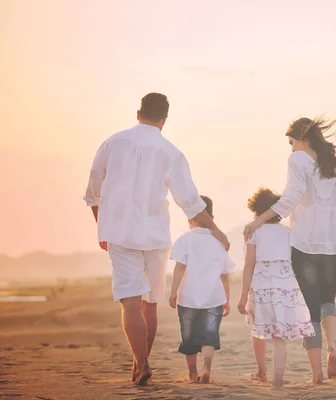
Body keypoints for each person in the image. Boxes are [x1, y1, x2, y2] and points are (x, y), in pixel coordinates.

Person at [83, 93, 230, 385]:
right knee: (149, 304)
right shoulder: (171, 152)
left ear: (138, 113)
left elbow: (93, 193)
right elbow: (190, 202)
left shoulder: (112, 143)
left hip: (121, 236)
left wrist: (104, 228)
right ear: (164, 120)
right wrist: (217, 231)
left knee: (129, 303)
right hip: (155, 236)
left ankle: (142, 362)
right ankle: (141, 363)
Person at [243, 116, 336, 384]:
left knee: (309, 309)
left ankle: (317, 374)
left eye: (291, 141)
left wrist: (258, 220)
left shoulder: (298, 161)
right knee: (328, 300)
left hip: (306, 241)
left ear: (302, 138)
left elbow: (291, 198)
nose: (291, 148)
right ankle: (333, 351)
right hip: (334, 242)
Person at [237, 188, 315, 388]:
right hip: (285, 286)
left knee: (258, 328)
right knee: (278, 337)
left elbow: (249, 265)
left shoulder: (254, 233)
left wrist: (242, 296)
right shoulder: (288, 232)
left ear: (255, 210)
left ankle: (261, 372)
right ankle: (278, 380)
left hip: (262, 286)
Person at [169, 196, 234, 383]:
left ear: (189, 219)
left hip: (188, 298)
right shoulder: (219, 243)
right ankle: (206, 370)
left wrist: (173, 291)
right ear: (211, 218)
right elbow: (225, 275)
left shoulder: (185, 240)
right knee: (209, 336)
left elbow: (180, 268)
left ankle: (192, 373)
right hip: (214, 298)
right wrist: (227, 299)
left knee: (189, 337)